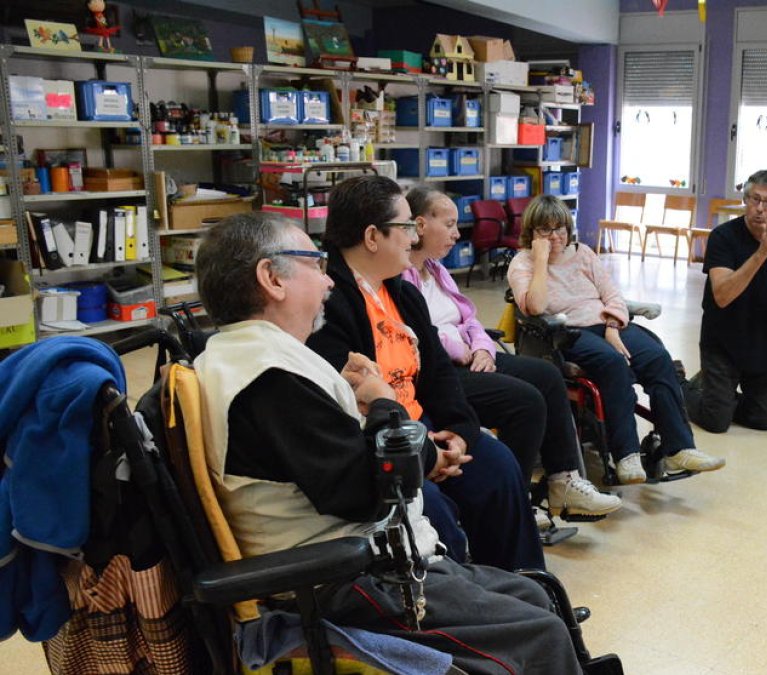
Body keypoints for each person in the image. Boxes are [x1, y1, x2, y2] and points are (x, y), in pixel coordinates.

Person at [192, 212, 583, 674]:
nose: (328, 282)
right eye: (315, 264)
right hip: (344, 580)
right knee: (543, 632)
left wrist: (348, 398)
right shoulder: (272, 378)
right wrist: (382, 403)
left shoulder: (249, 359)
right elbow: (367, 492)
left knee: (533, 592)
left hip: (352, 560)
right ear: (271, 278)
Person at [306, 175, 544, 573]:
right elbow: (353, 411)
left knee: (498, 467)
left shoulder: (402, 293)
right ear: (372, 236)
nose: (412, 238)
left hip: (427, 428)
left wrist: (461, 432)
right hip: (384, 447)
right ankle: (471, 606)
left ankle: (522, 591)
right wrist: (426, 453)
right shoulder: (331, 308)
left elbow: (437, 375)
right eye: (404, 227)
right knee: (434, 511)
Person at [401, 185, 620, 519]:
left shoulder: (436, 270)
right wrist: (464, 351)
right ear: (419, 225)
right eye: (447, 225)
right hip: (442, 368)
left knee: (547, 375)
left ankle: (563, 480)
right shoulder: (402, 278)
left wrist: (483, 349)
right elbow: (422, 334)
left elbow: (470, 318)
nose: (456, 233)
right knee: (525, 400)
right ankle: (515, 499)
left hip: (472, 356)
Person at [508, 195, 725, 485]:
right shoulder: (522, 264)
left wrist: (612, 324)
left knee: (658, 359)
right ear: (532, 232)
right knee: (612, 363)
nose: (555, 236)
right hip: (567, 333)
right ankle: (626, 455)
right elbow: (534, 307)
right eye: (545, 230)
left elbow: (612, 294)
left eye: (560, 228)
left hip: (608, 325)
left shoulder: (583, 253)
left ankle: (679, 447)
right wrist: (541, 261)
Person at [686, 169, 767, 433]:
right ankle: (681, 385)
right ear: (745, 199)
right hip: (722, 344)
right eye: (754, 199)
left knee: (764, 420)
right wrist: (761, 255)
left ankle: (716, 393)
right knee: (716, 422)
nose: (759, 209)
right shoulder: (722, 236)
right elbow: (721, 296)